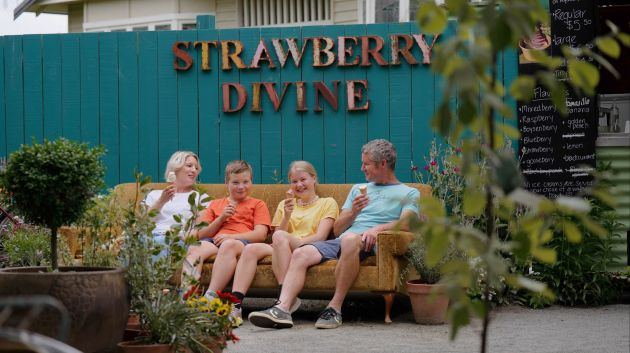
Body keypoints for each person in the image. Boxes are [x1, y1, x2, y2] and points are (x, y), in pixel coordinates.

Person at [248, 139, 420, 329]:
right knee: (301, 253)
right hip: (344, 240)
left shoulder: (408, 192)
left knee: (350, 239)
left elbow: (407, 223)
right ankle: (282, 309)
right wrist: (354, 211)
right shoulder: (357, 189)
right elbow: (337, 230)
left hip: (372, 243)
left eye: (366, 163)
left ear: (382, 164)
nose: (362, 168)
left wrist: (376, 229)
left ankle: (334, 308)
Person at [230, 161, 339, 325]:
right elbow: (276, 236)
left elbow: (321, 236)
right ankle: (236, 305)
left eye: (303, 180)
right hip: (282, 247)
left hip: (309, 248)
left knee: (281, 236)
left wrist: (292, 241)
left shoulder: (327, 203)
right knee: (250, 249)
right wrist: (287, 216)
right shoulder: (284, 204)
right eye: (294, 182)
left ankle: (283, 301)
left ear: (313, 178)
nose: (299, 185)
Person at [182, 160, 270, 325]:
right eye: (235, 182)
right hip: (214, 240)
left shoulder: (257, 204)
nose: (241, 187)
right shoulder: (216, 204)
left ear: (251, 182)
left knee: (228, 245)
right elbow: (202, 233)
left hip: (240, 241)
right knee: (194, 249)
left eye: (245, 182)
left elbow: (260, 234)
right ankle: (186, 300)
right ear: (226, 183)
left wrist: (232, 237)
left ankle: (210, 296)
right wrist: (222, 218)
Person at [144, 151, 209, 259]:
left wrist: (181, 236)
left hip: (176, 238)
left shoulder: (200, 197)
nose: (194, 170)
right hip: (149, 237)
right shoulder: (154, 195)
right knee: (130, 241)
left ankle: (154, 276)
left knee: (160, 243)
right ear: (175, 168)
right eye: (189, 166)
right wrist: (161, 201)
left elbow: (200, 229)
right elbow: (144, 224)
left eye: (196, 168)